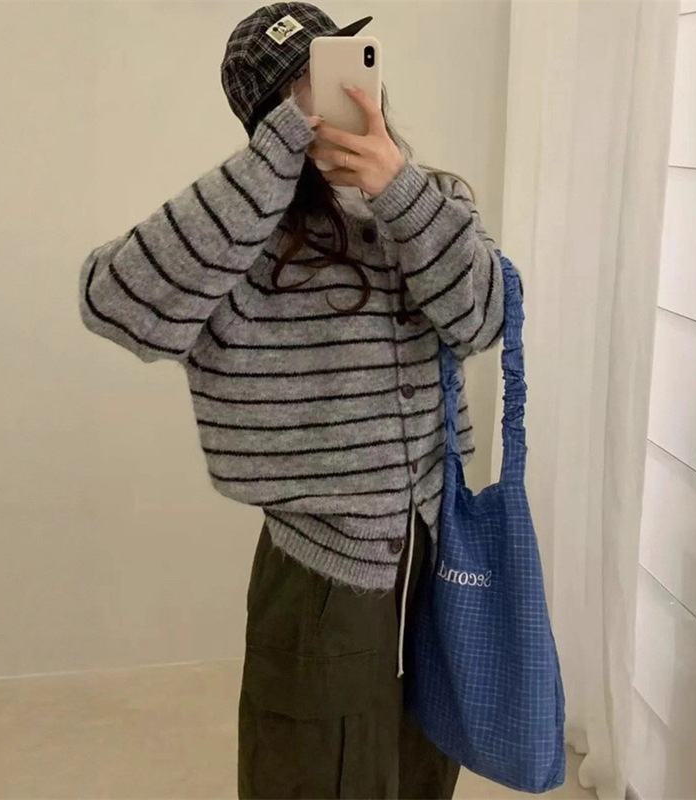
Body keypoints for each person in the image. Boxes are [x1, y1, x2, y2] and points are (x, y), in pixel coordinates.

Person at [78, 2, 505, 796]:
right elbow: (116, 300)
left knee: (423, 765)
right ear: (268, 116)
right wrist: (276, 155)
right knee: (315, 774)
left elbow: (482, 319)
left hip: (438, 548)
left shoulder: (431, 200)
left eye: (339, 65)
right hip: (321, 569)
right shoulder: (239, 234)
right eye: (300, 85)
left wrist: (397, 190)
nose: (337, 93)